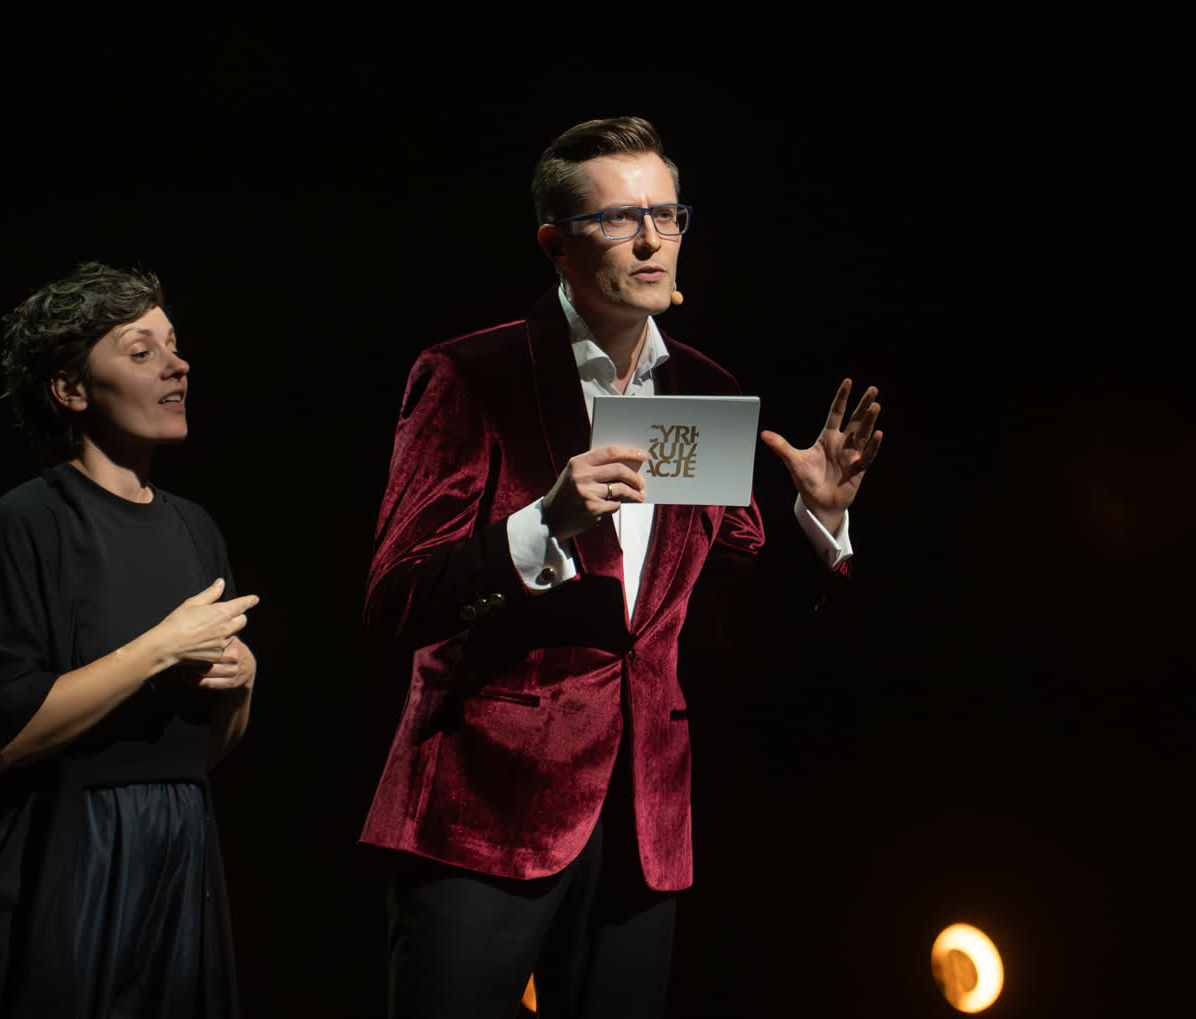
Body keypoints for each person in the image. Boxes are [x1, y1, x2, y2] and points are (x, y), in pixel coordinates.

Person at [360, 117, 883, 1018]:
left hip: (644, 822)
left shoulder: (705, 390)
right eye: (617, 219)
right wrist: (544, 524)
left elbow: (727, 623)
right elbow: (394, 601)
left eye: (667, 215)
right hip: (482, 811)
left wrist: (819, 522)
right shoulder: (473, 375)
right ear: (555, 244)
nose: (650, 240)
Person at [0, 263, 258, 1018]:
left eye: (173, 344)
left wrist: (243, 680)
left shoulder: (195, 529)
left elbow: (202, 753)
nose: (177, 365)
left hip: (176, 852)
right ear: (70, 390)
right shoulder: (27, 524)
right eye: (141, 351)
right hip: (68, 857)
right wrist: (159, 649)